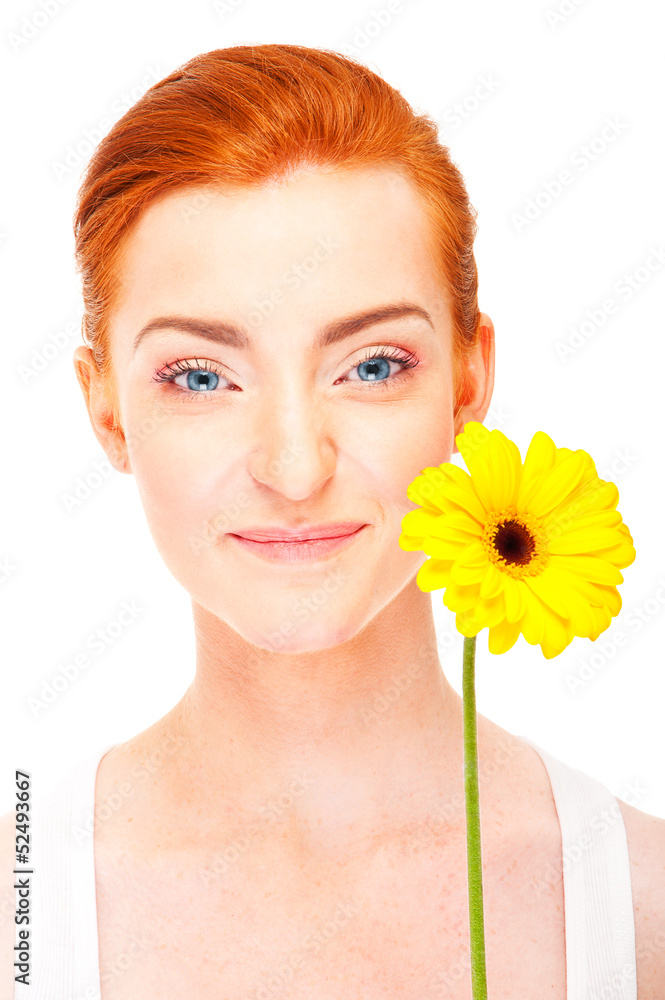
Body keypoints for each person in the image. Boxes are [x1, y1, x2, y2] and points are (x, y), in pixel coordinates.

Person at [3, 42, 664, 999]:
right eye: (200, 377)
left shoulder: (643, 907)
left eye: (371, 365)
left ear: (468, 381)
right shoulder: (17, 910)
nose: (294, 467)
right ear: (104, 409)